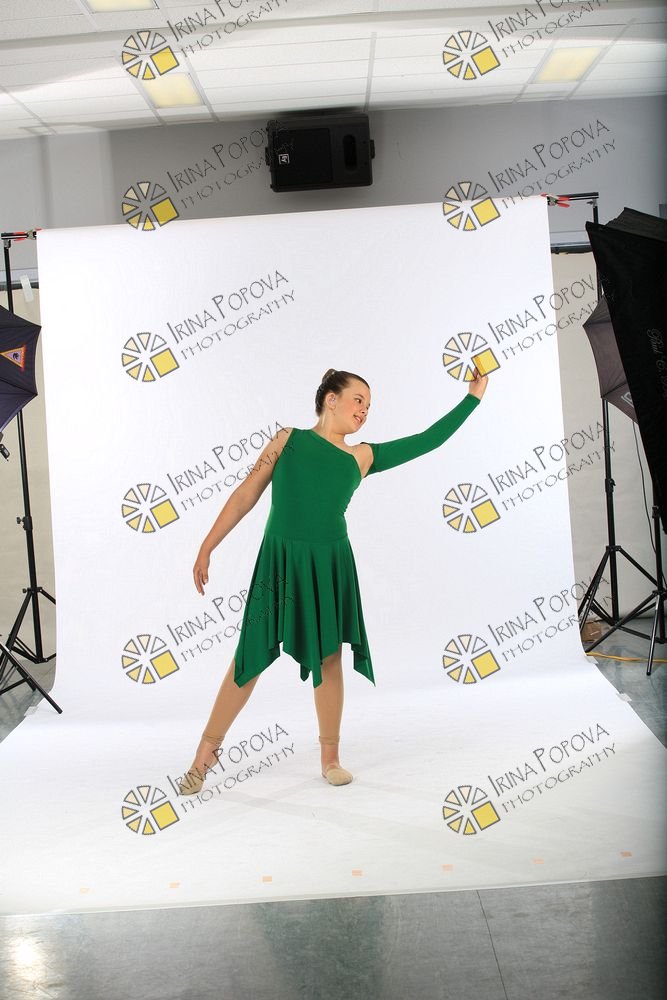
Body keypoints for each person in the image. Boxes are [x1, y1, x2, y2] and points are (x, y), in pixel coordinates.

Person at [178, 366, 488, 794]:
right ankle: (204, 754)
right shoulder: (287, 439)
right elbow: (247, 492)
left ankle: (331, 757)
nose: (364, 410)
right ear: (331, 399)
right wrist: (208, 545)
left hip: (328, 561)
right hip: (280, 559)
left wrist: (473, 396)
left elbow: (428, 440)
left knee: (329, 657)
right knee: (249, 653)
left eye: (369, 406)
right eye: (359, 400)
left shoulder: (362, 456)